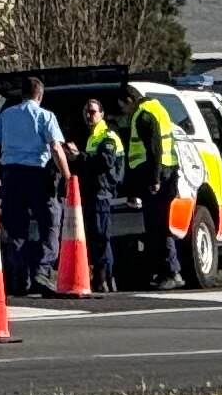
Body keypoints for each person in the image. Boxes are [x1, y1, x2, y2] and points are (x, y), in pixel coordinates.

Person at [0, 76, 66, 292]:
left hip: (11, 175)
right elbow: (56, 149)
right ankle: (42, 271)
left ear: (22, 94)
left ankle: (20, 279)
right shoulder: (45, 116)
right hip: (38, 176)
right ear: (39, 95)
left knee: (16, 229)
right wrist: (67, 176)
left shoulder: (6, 115)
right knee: (50, 223)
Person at [122, 93, 178, 290]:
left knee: (157, 227)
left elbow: (154, 147)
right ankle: (169, 271)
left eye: (123, 108)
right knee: (160, 226)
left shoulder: (144, 115)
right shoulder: (157, 108)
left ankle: (169, 272)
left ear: (129, 101)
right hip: (166, 173)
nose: (124, 113)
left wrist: (154, 179)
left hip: (157, 177)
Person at [71, 95, 123, 288]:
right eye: (86, 111)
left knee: (102, 236)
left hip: (103, 192)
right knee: (94, 236)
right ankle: (100, 277)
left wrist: (79, 157)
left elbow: (104, 163)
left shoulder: (107, 136)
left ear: (101, 114)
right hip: (92, 192)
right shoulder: (91, 137)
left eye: (92, 111)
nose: (88, 115)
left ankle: (105, 278)